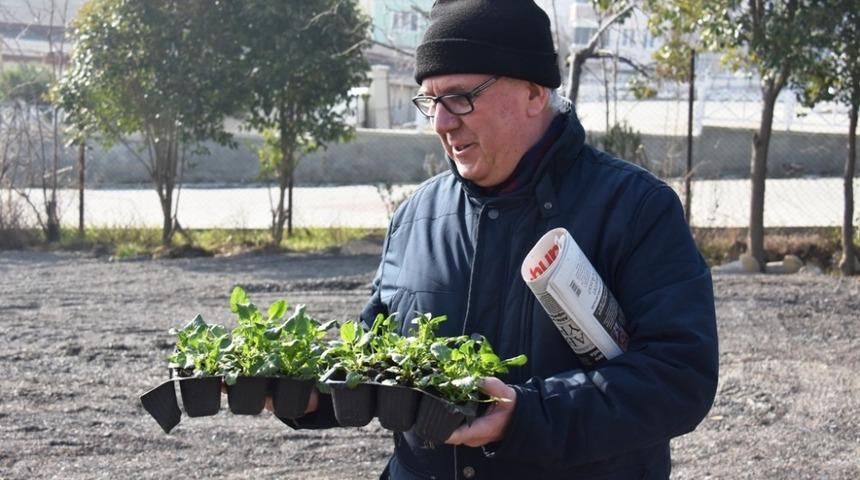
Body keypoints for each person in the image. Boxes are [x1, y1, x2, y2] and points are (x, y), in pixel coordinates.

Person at [280, 1, 719, 478]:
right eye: (430, 100)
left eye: (460, 97)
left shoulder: (635, 209)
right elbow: (379, 363)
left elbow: (679, 378)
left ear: (533, 92)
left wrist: (531, 414)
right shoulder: (415, 218)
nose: (441, 124)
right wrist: (312, 394)